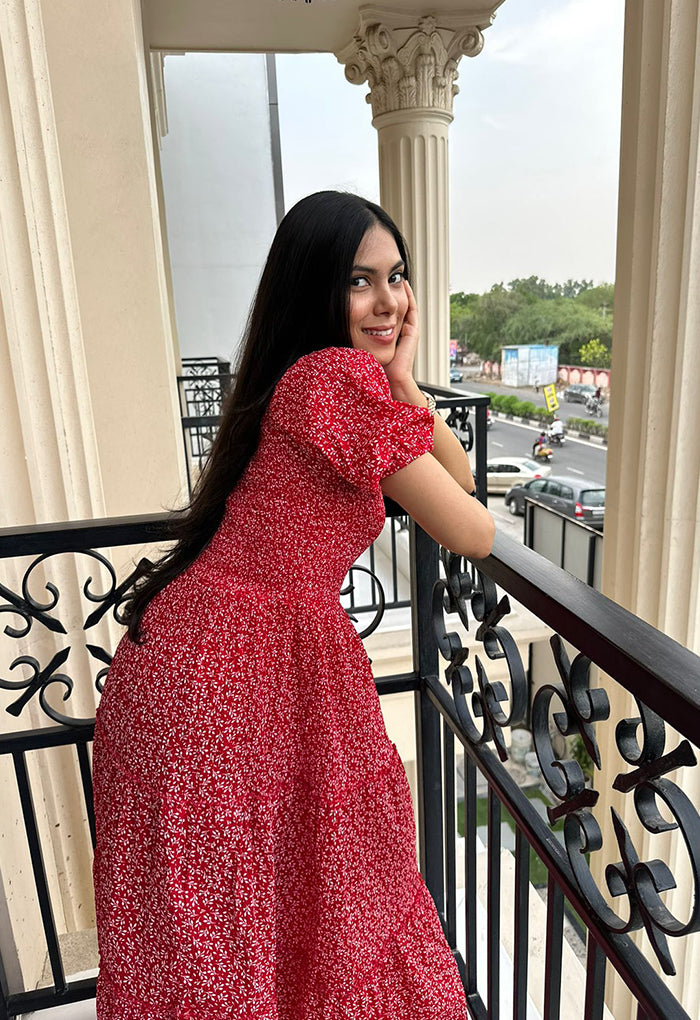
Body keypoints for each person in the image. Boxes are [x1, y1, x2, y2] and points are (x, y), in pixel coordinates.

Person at [92, 191, 495, 1020]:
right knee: (317, 894)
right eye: (360, 281)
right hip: (238, 673)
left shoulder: (302, 380)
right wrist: (390, 380)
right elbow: (472, 524)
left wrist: (403, 377)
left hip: (203, 657)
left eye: (398, 276)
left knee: (225, 921)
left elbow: (440, 474)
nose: (390, 302)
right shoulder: (332, 383)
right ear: (316, 289)